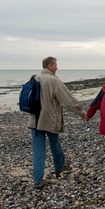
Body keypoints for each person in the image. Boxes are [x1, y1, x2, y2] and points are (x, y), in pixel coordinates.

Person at [28, 56, 87, 188]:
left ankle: (38, 180)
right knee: (54, 144)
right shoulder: (54, 81)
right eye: (55, 65)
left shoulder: (34, 78)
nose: (57, 67)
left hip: (35, 120)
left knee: (38, 149)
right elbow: (67, 100)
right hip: (50, 119)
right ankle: (59, 167)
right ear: (49, 65)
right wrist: (81, 112)